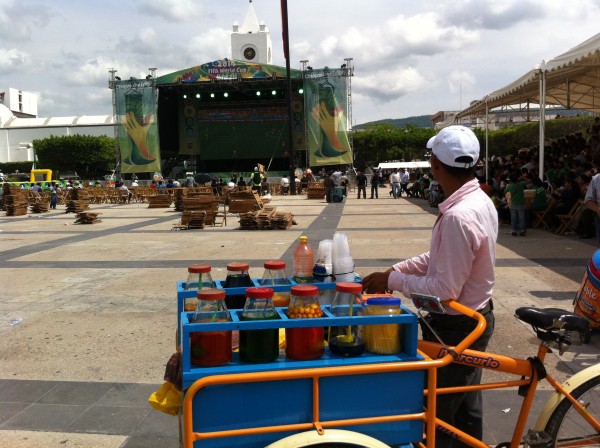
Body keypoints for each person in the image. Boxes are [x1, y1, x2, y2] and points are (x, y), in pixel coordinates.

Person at [362, 125, 498, 448]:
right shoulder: (479, 201)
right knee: (466, 409)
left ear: (435, 166)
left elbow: (443, 288)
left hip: (458, 326)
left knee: (438, 417)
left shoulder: (457, 217)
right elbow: (438, 256)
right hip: (476, 318)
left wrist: (392, 280)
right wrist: (395, 270)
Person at [505, 172, 527, 236]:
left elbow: (505, 191)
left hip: (513, 203)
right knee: (521, 217)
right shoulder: (521, 184)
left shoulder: (509, 185)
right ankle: (522, 230)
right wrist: (522, 178)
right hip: (521, 203)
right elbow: (530, 181)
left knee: (513, 217)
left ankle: (513, 230)